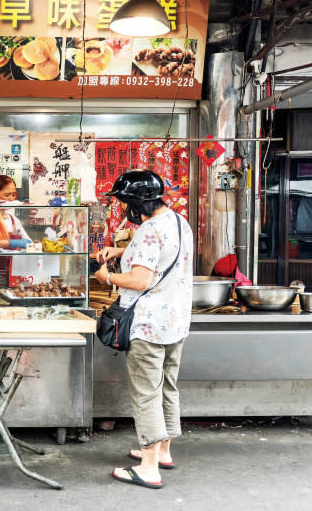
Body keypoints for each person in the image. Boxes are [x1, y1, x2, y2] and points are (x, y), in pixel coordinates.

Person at [94, 169, 193, 490]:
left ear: (138, 202)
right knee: (167, 385)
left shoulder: (149, 230)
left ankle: (149, 467)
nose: (122, 209)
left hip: (148, 327)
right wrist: (122, 251)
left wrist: (106, 277)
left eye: (124, 202)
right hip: (175, 323)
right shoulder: (179, 222)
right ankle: (162, 449)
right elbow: (163, 257)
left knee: (146, 393)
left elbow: (139, 280)